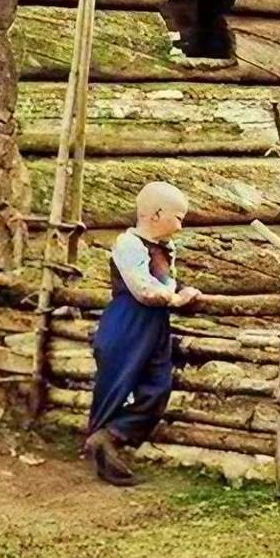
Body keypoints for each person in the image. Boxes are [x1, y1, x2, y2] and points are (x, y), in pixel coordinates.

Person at [82, 180, 203, 486]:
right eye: (178, 217)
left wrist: (179, 294)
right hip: (128, 322)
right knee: (116, 383)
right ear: (156, 214)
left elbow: (164, 284)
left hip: (155, 324)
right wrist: (175, 298)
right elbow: (142, 288)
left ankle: (109, 438)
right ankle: (102, 451)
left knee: (157, 387)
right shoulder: (128, 244)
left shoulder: (165, 248)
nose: (181, 224)